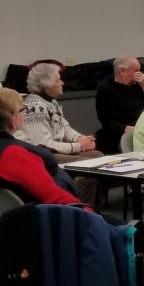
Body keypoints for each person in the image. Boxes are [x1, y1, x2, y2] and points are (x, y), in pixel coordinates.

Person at [0, 87, 82, 207]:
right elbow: (54, 197)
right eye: (23, 109)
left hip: (16, 216)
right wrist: (89, 213)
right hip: (46, 215)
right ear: (13, 120)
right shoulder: (13, 154)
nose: (25, 112)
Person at [16, 64, 106, 205]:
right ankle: (76, 206)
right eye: (58, 80)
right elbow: (44, 144)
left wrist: (81, 139)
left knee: (98, 156)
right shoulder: (35, 107)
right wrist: (78, 146)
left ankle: (89, 205)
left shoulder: (50, 101)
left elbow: (64, 127)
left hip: (51, 150)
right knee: (86, 165)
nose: (62, 83)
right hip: (39, 154)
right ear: (46, 86)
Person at [95, 54, 144, 153]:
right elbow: (110, 124)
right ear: (122, 71)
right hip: (123, 136)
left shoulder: (139, 86)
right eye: (136, 71)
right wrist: (139, 131)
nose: (139, 74)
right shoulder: (106, 91)